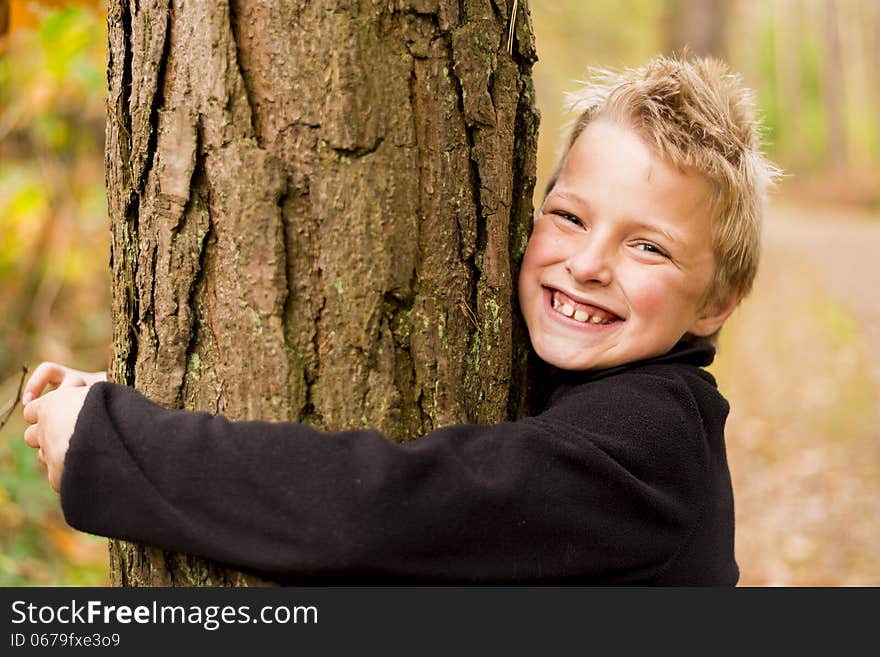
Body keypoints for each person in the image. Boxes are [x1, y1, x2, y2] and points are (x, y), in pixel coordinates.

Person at [20, 54, 779, 585]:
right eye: (570, 216)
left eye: (648, 246)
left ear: (716, 302)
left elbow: (380, 511)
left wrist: (110, 440)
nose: (587, 264)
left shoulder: (651, 441)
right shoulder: (583, 392)